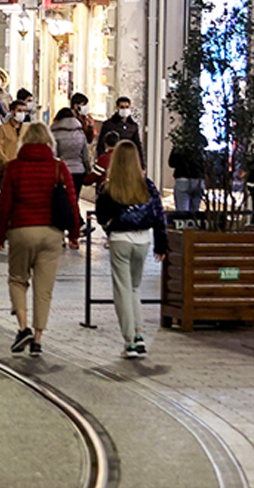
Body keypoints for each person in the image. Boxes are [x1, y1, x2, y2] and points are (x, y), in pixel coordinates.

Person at [0, 123, 80, 357]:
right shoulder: (59, 168)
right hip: (51, 233)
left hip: (21, 230)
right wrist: (74, 234)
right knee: (44, 289)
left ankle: (23, 328)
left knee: (18, 280)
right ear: (49, 142)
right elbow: (71, 202)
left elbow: (4, 205)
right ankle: (38, 340)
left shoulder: (14, 167)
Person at [95, 141, 167, 359]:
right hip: (143, 240)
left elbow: (101, 215)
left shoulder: (109, 188)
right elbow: (158, 215)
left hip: (120, 240)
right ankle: (139, 334)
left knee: (122, 290)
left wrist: (110, 229)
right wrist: (161, 244)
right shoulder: (147, 185)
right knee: (135, 288)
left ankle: (129, 341)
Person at [51, 107, 91, 197]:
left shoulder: (54, 133)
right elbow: (85, 155)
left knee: (62, 199)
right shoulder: (80, 133)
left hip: (62, 172)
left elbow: (54, 155)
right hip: (79, 171)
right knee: (74, 198)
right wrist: (88, 169)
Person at [98, 96, 144, 165]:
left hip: (129, 160)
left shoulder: (133, 126)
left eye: (127, 107)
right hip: (113, 160)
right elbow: (101, 145)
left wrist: (142, 165)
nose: (125, 109)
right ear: (117, 108)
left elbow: (138, 146)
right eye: (122, 107)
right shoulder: (108, 125)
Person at [169, 134, 207, 213]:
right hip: (198, 179)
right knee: (195, 213)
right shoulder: (201, 142)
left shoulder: (180, 143)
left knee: (183, 212)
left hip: (182, 178)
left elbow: (171, 163)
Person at [0, 100, 28, 170]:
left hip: (24, 167)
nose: (22, 113)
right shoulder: (2, 128)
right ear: (12, 112)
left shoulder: (26, 128)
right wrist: (7, 162)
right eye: (19, 111)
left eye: (24, 111)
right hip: (7, 167)